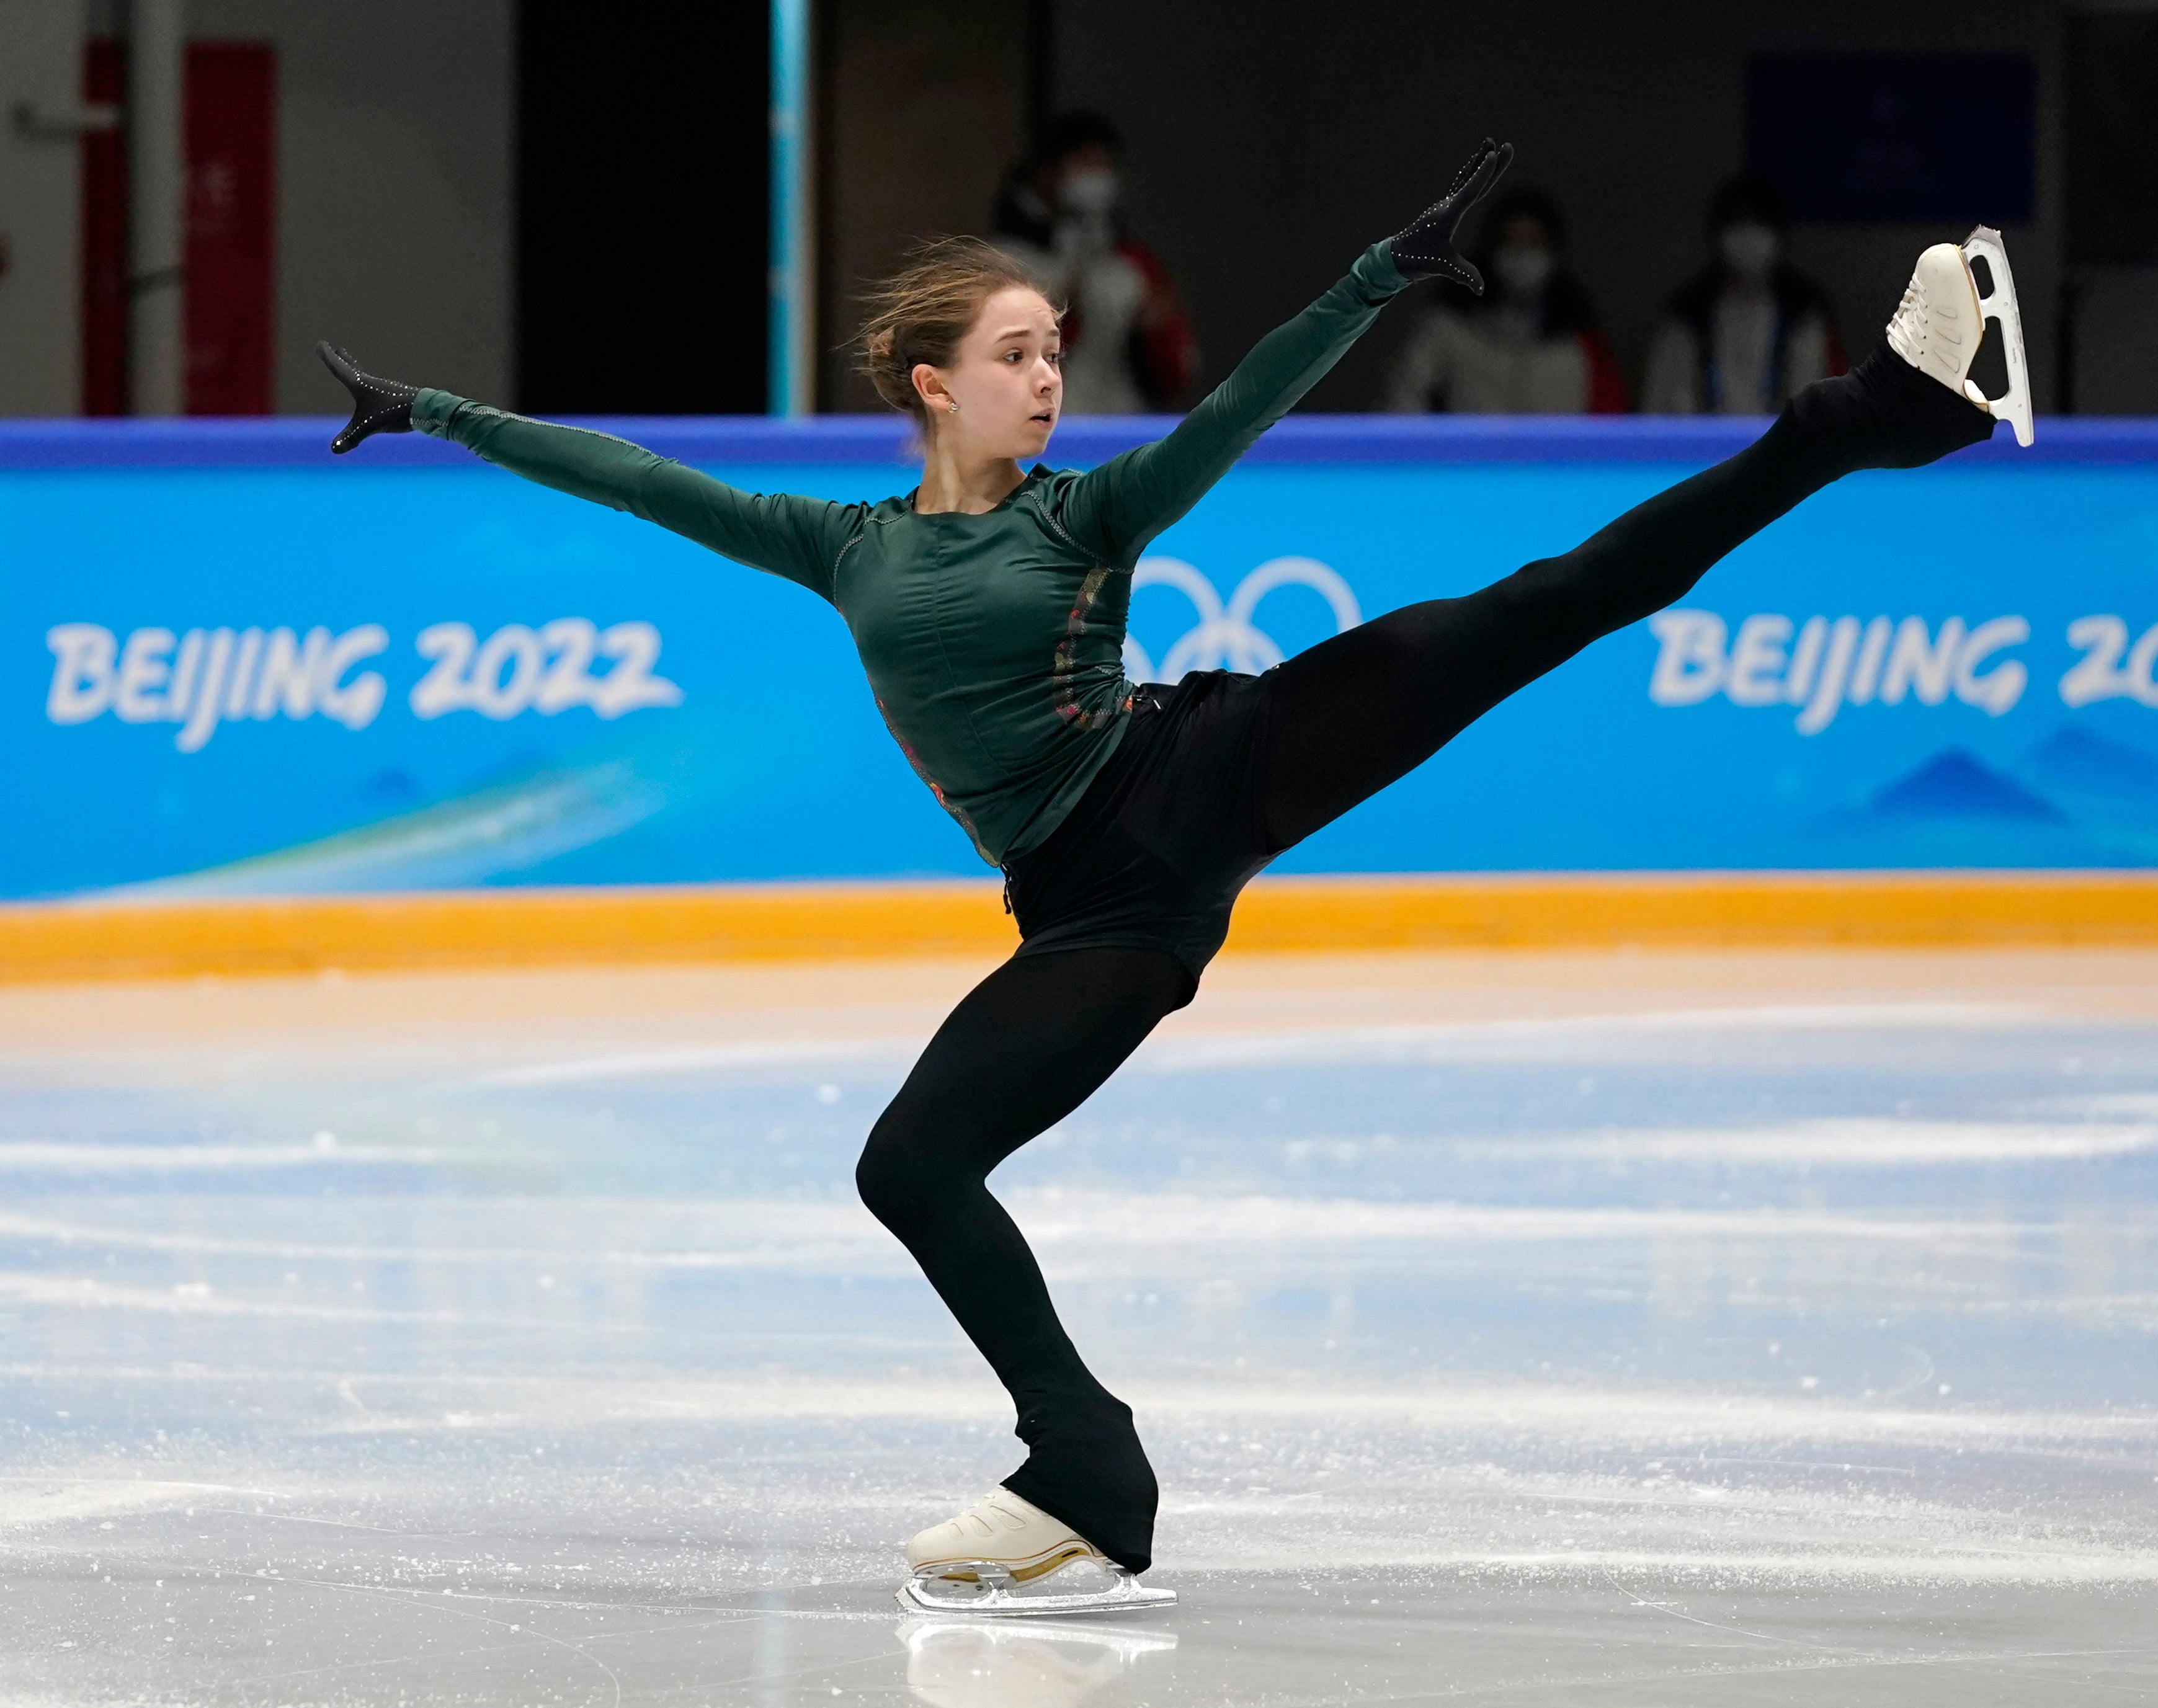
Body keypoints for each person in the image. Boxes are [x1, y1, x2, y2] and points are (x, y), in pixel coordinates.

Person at [315, 141, 2023, 1611]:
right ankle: (1093, 1470)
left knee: (1536, 609)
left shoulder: (1089, 518)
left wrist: (1369, 278)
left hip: (1214, 763)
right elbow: (635, 477)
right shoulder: (840, 546)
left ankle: (1879, 409)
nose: (1049, 378)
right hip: (1105, 906)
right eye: (1015, 355)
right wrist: (433, 412)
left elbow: (1235, 408)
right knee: (911, 1163)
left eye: (1056, 350)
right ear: (932, 383)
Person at [988, 111, 1196, 414]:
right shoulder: (1005, 260)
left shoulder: (1134, 265)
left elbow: (1176, 370)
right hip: (1040, 423)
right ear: (1046, 171)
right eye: (1084, 161)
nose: (1096, 175)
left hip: (1123, 423)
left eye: (1105, 164)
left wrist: (1155, 331)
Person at [1382, 186, 1626, 414]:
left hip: (1556, 460)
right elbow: (1404, 404)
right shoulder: (1448, 329)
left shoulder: (1581, 340)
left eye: (1534, 243)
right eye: (1511, 243)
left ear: (1555, 252)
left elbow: (1609, 420)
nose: (1522, 256)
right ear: (1491, 249)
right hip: (1473, 459)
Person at [1642, 173, 1845, 416]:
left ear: (1779, 235)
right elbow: (1659, 409)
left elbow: (1828, 408)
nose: (1749, 239)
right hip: (1706, 450)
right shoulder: (1687, 316)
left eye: (1759, 225)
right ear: (1718, 236)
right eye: (1738, 225)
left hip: (1785, 449)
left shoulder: (1804, 317)